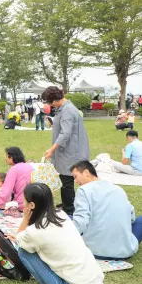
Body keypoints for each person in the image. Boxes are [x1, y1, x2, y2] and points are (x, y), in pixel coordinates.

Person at [8, 183, 104, 284]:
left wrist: (25, 219)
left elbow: (19, 239)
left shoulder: (35, 232)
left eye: (24, 201)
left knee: (24, 252)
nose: (22, 204)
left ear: (32, 205)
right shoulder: (61, 214)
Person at [70, 160, 142, 260]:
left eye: (75, 176)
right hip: (126, 251)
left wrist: (65, 238)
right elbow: (131, 218)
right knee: (141, 220)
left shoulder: (83, 190)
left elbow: (81, 222)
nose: (76, 182)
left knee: (69, 219)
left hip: (96, 251)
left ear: (86, 172)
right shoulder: (118, 189)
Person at [42, 86, 89, 215]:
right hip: (67, 150)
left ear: (56, 99)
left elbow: (65, 133)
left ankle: (69, 210)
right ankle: (67, 205)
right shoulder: (63, 109)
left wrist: (52, 149)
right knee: (64, 180)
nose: (50, 105)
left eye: (50, 102)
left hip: (70, 151)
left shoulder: (67, 110)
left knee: (66, 181)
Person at [0, 147, 34, 212]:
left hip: (20, 206)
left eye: (7, 156)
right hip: (32, 205)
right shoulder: (30, 166)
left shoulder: (14, 169)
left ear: (12, 158)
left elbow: (6, 192)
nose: (5, 158)